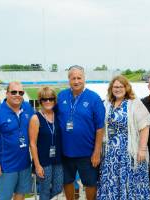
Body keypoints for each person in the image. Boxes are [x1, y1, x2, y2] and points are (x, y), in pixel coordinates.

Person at [97, 75, 150, 199]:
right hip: (110, 154)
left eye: (121, 86)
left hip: (130, 153)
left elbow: (145, 126)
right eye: (115, 86)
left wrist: (142, 149)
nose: (118, 89)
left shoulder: (134, 103)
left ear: (126, 88)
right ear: (111, 88)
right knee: (111, 183)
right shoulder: (107, 104)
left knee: (131, 184)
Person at [57, 65, 105, 200]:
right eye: (73, 78)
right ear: (69, 80)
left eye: (79, 78)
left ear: (84, 79)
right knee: (67, 181)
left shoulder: (94, 98)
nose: (76, 81)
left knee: (90, 183)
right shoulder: (61, 96)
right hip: (65, 152)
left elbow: (100, 127)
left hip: (87, 153)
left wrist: (96, 152)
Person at [0, 82, 34, 200]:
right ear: (7, 93)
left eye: (20, 92)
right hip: (6, 166)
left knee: (21, 194)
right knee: (5, 197)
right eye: (14, 92)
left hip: (24, 163)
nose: (17, 95)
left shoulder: (27, 108)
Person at [29, 86, 63, 199]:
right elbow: (32, 144)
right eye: (45, 99)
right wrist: (37, 165)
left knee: (58, 187)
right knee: (44, 190)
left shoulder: (57, 115)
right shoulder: (35, 118)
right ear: (40, 101)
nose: (48, 101)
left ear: (54, 100)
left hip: (57, 159)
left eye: (51, 98)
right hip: (43, 161)